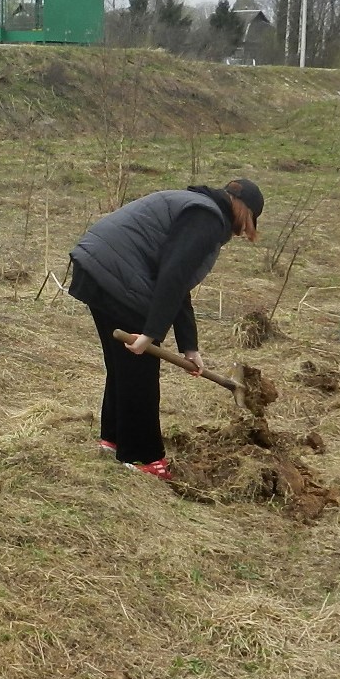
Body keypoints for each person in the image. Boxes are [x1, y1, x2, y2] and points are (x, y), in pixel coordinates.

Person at [67, 178, 264, 480]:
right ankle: (143, 456)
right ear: (245, 212)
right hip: (117, 274)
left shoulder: (198, 208)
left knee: (123, 367)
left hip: (98, 267)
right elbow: (172, 276)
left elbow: (176, 278)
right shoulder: (206, 218)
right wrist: (150, 333)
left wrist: (190, 346)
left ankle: (114, 438)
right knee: (140, 372)